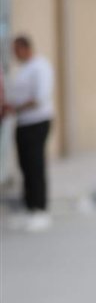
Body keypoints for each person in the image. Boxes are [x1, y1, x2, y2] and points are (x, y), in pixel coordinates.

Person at [3, 35, 55, 232]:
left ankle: (41, 210)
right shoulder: (24, 68)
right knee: (25, 166)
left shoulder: (40, 67)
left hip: (38, 122)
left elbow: (40, 98)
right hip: (23, 123)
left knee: (35, 166)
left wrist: (15, 108)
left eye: (16, 50)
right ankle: (30, 208)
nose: (14, 54)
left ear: (25, 48)